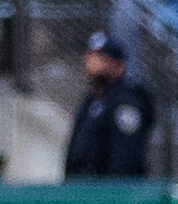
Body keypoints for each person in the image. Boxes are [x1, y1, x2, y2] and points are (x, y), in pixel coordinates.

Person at [63, 33, 156, 178]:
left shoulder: (126, 101)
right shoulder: (91, 100)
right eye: (90, 55)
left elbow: (126, 156)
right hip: (83, 192)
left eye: (100, 57)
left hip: (109, 194)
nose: (92, 61)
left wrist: (114, 194)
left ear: (117, 65)